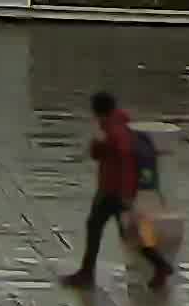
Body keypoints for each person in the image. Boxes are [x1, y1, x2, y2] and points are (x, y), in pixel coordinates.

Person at [62, 90, 172, 288]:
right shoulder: (117, 124)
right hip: (112, 190)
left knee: (125, 232)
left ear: (98, 111)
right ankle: (159, 265)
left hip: (115, 192)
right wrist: (97, 141)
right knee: (103, 228)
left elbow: (124, 163)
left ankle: (160, 265)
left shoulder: (116, 131)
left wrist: (125, 195)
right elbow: (98, 154)